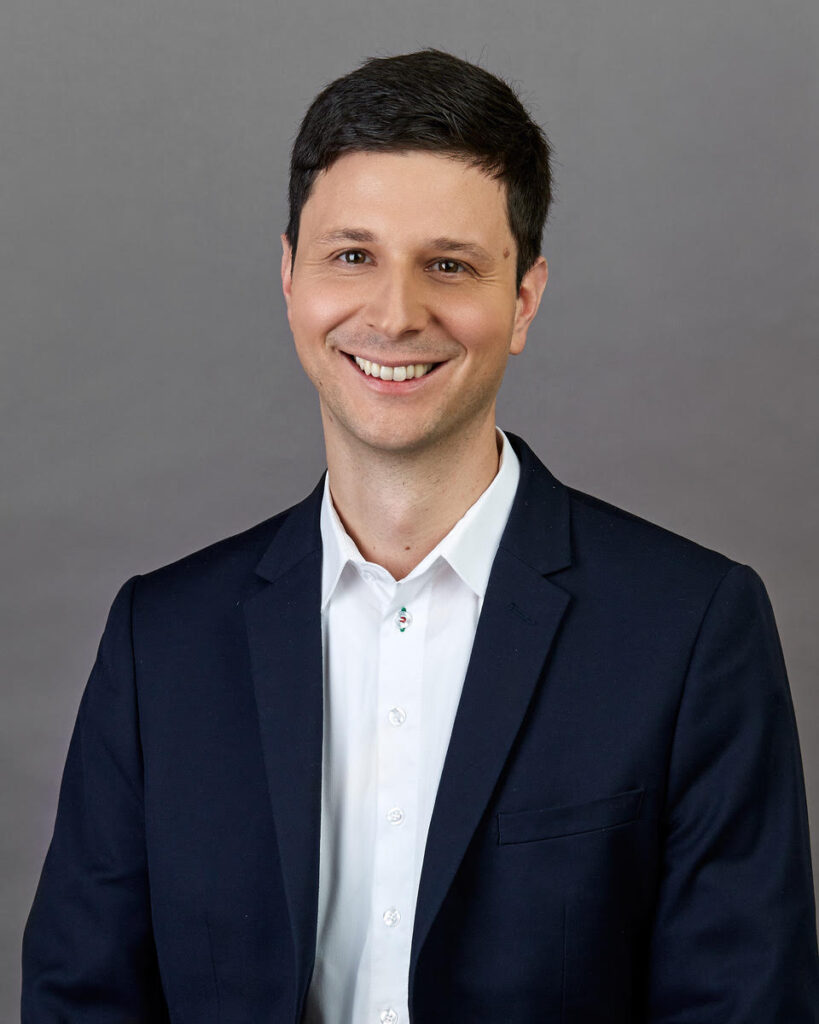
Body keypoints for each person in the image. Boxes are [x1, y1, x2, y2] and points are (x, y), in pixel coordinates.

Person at [22, 48, 819, 1023]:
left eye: (449, 265)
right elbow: (80, 1001)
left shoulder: (690, 630)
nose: (395, 315)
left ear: (523, 299)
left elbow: (742, 1004)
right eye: (352, 256)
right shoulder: (161, 641)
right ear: (289, 276)